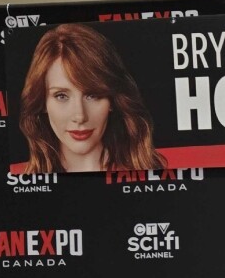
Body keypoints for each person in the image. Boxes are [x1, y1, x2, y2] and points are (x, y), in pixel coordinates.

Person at [16, 23, 161, 173]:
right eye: (61, 96)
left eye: (93, 95)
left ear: (112, 100)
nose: (80, 116)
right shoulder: (19, 178)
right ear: (42, 103)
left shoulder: (154, 171)